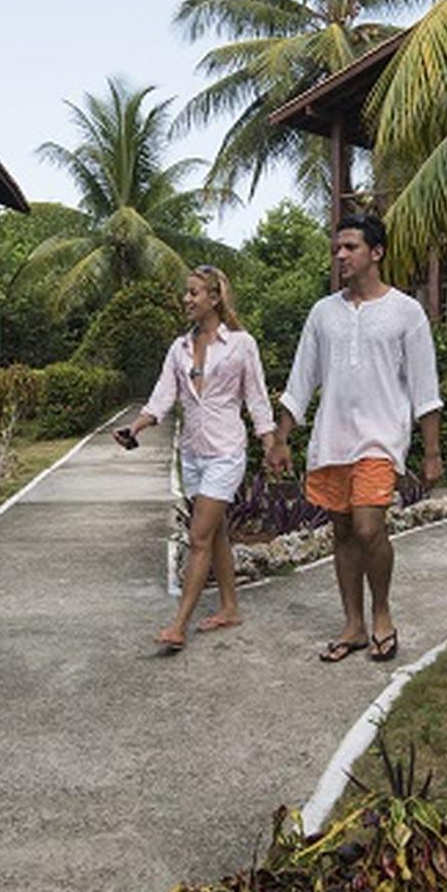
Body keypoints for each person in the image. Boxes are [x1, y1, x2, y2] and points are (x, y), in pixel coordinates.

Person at [264, 213, 442, 663]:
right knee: (342, 532)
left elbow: (426, 389)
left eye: (350, 247)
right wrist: (282, 438)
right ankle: (354, 625)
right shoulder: (324, 313)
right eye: (337, 248)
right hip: (331, 440)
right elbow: (301, 381)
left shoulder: (406, 312)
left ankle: (381, 614)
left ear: (376, 253)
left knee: (368, 527)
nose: (340, 256)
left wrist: (432, 453)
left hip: (381, 441)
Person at [114, 265, 275, 652]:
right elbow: (162, 398)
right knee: (216, 531)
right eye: (186, 293)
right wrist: (135, 427)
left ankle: (178, 625)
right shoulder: (179, 348)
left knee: (199, 536)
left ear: (215, 298)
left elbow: (256, 397)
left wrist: (270, 443)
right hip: (193, 454)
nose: (186, 299)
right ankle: (230, 607)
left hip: (226, 451)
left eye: (194, 293)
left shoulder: (240, 344)